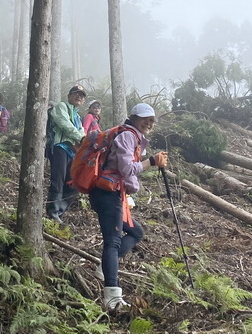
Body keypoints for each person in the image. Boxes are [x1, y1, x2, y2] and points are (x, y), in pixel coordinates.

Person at [88, 103, 168, 311]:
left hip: (114, 194)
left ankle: (106, 268)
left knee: (136, 232)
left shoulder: (134, 137)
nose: (149, 123)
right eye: (145, 118)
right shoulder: (127, 136)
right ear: (133, 117)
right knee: (112, 243)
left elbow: (126, 168)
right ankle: (112, 297)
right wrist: (151, 161)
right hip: (107, 194)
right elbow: (126, 169)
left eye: (152, 120)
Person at [46, 85, 87, 223]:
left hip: (72, 152)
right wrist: (81, 138)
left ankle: (59, 211)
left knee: (74, 182)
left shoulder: (77, 116)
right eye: (76, 94)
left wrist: (85, 141)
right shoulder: (61, 106)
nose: (79, 97)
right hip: (60, 147)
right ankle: (52, 213)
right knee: (58, 179)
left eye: (81, 95)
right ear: (69, 96)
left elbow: (82, 132)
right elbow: (64, 123)